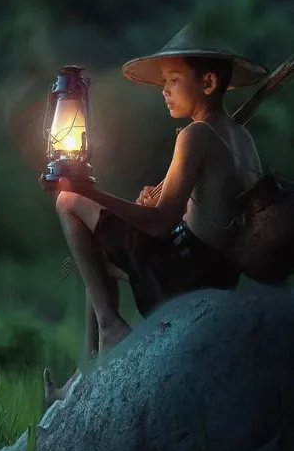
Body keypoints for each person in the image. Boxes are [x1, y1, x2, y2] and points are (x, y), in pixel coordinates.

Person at [42, 22, 269, 408]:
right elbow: (204, 212)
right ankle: (83, 376)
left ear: (209, 83)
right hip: (216, 271)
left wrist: (89, 191)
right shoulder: (240, 137)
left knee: (66, 201)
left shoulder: (194, 136)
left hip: (184, 273)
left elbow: (161, 222)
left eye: (174, 80)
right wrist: (144, 206)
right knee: (94, 265)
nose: (165, 91)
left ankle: (111, 329)